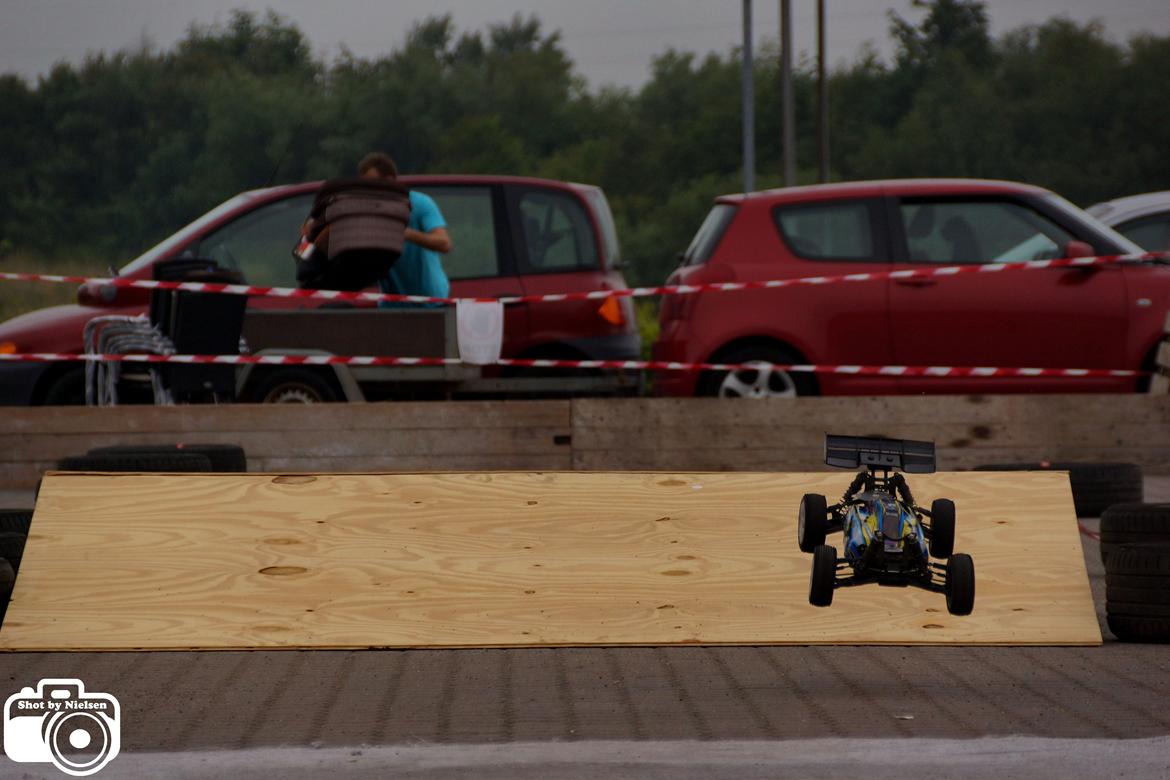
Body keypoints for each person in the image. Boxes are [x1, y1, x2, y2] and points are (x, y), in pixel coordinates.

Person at [356, 152, 452, 307]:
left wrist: (405, 233)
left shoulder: (420, 203)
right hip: (392, 306)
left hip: (431, 303)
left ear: (389, 181)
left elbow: (444, 243)